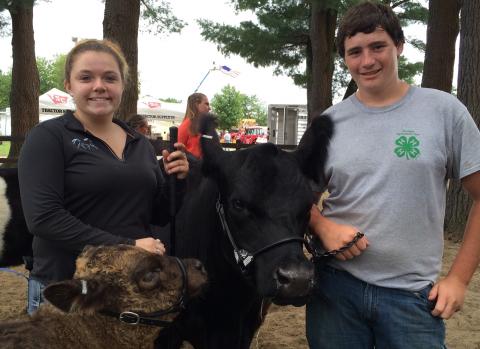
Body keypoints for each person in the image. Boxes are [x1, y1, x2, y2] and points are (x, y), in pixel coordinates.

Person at [306, 2, 480, 348]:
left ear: (399, 45)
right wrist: (323, 226)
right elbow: (294, 199)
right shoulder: (326, 124)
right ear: (344, 58)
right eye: (354, 52)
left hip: (413, 299)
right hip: (335, 294)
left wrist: (458, 279)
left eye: (378, 46)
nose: (367, 61)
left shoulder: (445, 112)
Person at [18, 39, 189, 315]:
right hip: (70, 290)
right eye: (86, 77)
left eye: (110, 78)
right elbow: (44, 219)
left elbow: (157, 215)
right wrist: (127, 246)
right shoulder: (48, 137)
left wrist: (177, 182)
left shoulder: (140, 143)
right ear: (69, 85)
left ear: (123, 86)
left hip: (131, 287)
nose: (99, 86)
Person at [178, 92, 211, 158]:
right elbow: (178, 152)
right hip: (191, 166)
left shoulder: (202, 125)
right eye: (206, 104)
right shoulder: (186, 125)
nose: (209, 108)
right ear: (196, 105)